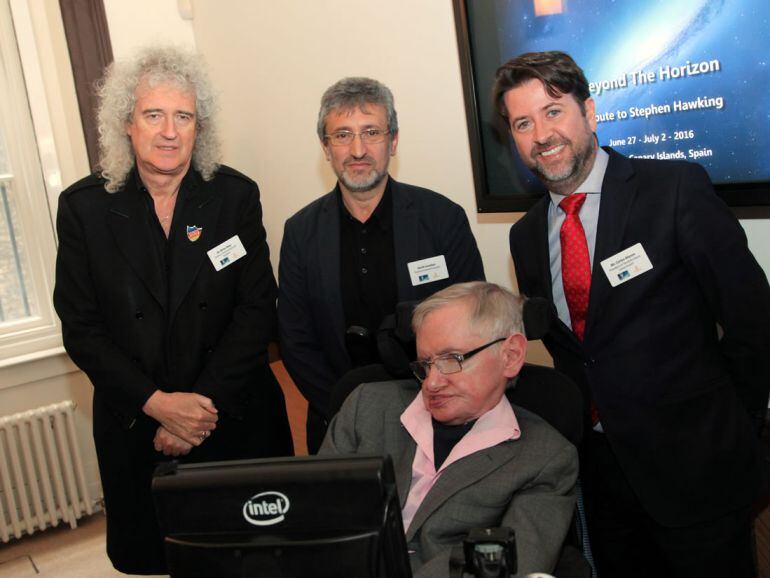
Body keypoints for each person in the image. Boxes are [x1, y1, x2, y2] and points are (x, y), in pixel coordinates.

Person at [495, 50, 770, 577]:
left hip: (699, 474)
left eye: (553, 112)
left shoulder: (673, 191)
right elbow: (574, 350)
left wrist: (737, 427)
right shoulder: (525, 236)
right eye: (523, 123)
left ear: (590, 113)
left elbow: (752, 319)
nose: (541, 135)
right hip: (602, 483)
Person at [53, 46, 293, 575]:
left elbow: (257, 309)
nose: (168, 131)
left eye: (182, 116)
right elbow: (82, 328)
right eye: (153, 114)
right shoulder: (84, 208)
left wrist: (196, 411)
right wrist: (157, 405)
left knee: (254, 558)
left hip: (232, 417)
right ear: (126, 124)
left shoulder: (234, 196)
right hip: (136, 423)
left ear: (197, 126)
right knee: (164, 558)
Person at [278, 77, 485, 453]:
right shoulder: (300, 232)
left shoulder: (442, 219)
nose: (357, 149)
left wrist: (433, 400)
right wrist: (348, 410)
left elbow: (474, 325)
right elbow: (296, 340)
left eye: (371, 132)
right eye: (342, 135)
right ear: (325, 148)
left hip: (439, 418)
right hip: (337, 421)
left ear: (393, 140)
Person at [320, 281, 578, 577]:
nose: (431, 383)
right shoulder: (366, 406)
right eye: (425, 364)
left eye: (452, 359)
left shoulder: (545, 458)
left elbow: (512, 566)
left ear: (511, 356)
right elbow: (316, 518)